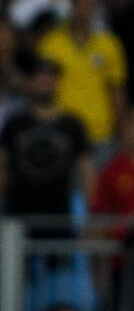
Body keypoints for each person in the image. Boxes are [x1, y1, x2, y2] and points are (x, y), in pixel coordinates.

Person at [0, 58, 92, 239]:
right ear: (30, 82)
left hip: (59, 215)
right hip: (21, 213)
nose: (46, 82)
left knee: (59, 263)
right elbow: (2, 166)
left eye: (51, 78)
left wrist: (90, 213)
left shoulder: (72, 124)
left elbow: (86, 170)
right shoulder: (15, 123)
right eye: (40, 77)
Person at [38, 0, 127, 151]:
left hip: (99, 133)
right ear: (72, 2)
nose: (87, 5)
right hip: (61, 131)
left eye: (92, 0)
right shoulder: (51, 43)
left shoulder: (109, 44)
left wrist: (121, 132)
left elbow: (116, 92)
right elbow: (43, 88)